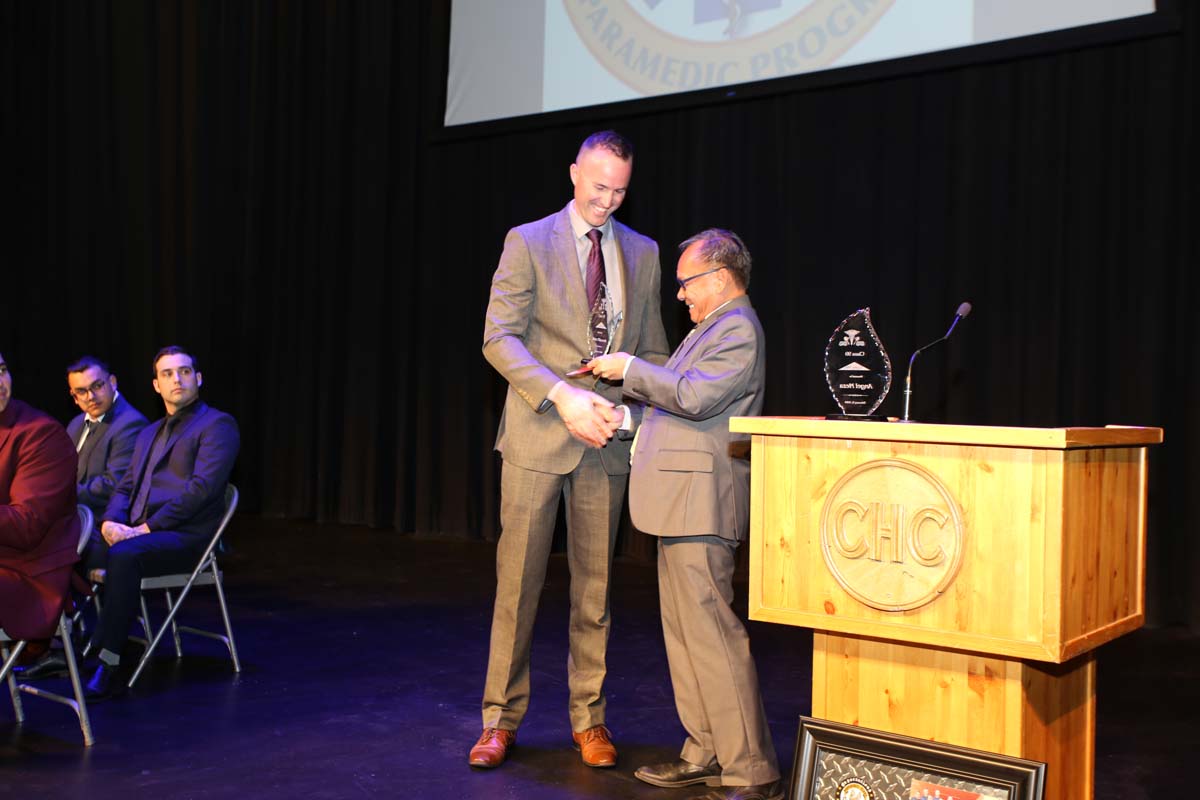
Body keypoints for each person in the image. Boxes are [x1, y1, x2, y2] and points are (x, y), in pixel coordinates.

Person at [472, 130, 670, 769]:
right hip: (538, 436)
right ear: (573, 174)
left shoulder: (643, 252)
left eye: (620, 190)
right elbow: (498, 339)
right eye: (598, 186)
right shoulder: (526, 241)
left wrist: (630, 411)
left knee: (597, 591)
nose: (608, 201)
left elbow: (656, 355)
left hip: (605, 443)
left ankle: (591, 720)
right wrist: (562, 396)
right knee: (518, 585)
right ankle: (499, 721)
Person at [587, 229, 781, 800]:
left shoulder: (738, 329)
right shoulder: (710, 330)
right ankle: (706, 752)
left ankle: (752, 769)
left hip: (702, 505)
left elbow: (695, 397)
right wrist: (627, 421)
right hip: (679, 504)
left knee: (714, 638)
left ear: (719, 278)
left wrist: (629, 368)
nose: (680, 295)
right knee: (687, 637)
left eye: (687, 283)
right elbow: (680, 408)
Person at [80, 345, 239, 700]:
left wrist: (144, 529)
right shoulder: (149, 432)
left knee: (124, 555)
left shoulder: (217, 425)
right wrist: (110, 522)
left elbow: (201, 491)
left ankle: (108, 660)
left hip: (187, 537)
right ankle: (65, 647)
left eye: (184, 371)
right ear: (156, 385)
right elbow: (125, 486)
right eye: (167, 374)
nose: (176, 379)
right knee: (73, 543)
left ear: (198, 379)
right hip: (142, 533)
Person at [0, 353, 81, 650]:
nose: (0, 381)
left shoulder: (40, 434)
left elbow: (26, 525)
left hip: (26, 574)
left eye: (2, 370)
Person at [65, 356, 149, 515]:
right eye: (81, 391)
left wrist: (63, 494)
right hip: (72, 515)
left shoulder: (131, 423)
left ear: (112, 382)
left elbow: (113, 484)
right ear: (74, 397)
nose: (90, 397)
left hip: (102, 520)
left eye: (97, 386)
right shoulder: (75, 424)